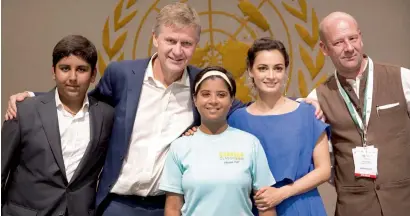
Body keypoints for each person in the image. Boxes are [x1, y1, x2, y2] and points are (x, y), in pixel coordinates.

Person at [2, 3, 323, 216]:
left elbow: (250, 106)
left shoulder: (202, 85)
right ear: (155, 39)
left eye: (186, 43)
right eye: (171, 40)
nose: (178, 50)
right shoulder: (121, 75)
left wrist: (303, 102)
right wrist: (37, 97)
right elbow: (83, 103)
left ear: (195, 45)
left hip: (168, 205)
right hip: (118, 203)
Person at [302, 12, 410, 216]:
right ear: (324, 49)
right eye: (339, 42)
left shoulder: (402, 78)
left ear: (361, 37)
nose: (349, 48)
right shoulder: (317, 98)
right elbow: (319, 160)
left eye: (353, 38)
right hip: (354, 208)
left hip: (404, 202)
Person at [1, 35, 114, 216]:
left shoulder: (106, 116)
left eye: (81, 69)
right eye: (65, 68)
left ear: (93, 75)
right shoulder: (24, 111)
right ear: (54, 72)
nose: (72, 77)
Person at [228, 38, 331, 216]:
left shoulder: (308, 114)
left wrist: (282, 193)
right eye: (263, 68)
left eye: (278, 68)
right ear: (250, 71)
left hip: (303, 206)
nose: (271, 76)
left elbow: (324, 170)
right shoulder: (237, 120)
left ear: (285, 72)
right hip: (257, 208)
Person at [159, 66, 276, 216]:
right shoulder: (180, 147)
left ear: (231, 100)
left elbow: (266, 207)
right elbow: (173, 209)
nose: (213, 101)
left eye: (221, 95)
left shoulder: (250, 144)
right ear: (195, 99)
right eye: (205, 94)